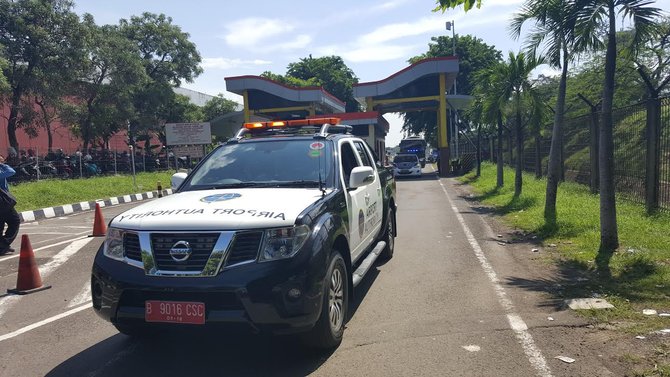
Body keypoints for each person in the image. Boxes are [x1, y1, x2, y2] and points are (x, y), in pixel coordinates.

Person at [0, 154, 19, 254]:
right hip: (2, 201)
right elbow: (11, 171)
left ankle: (3, 246)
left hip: (3, 201)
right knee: (15, 221)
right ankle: (3, 244)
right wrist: (2, 165)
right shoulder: (1, 169)